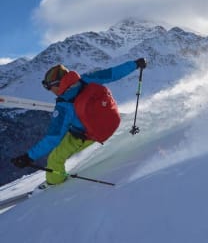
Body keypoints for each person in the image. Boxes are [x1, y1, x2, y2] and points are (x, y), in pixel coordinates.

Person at [11, 58, 147, 187]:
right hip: (112, 121)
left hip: (87, 135)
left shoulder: (64, 106)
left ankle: (54, 184)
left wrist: (28, 157)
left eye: (50, 88)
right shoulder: (87, 79)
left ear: (58, 85)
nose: (51, 92)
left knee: (55, 158)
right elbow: (112, 73)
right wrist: (135, 64)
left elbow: (53, 138)